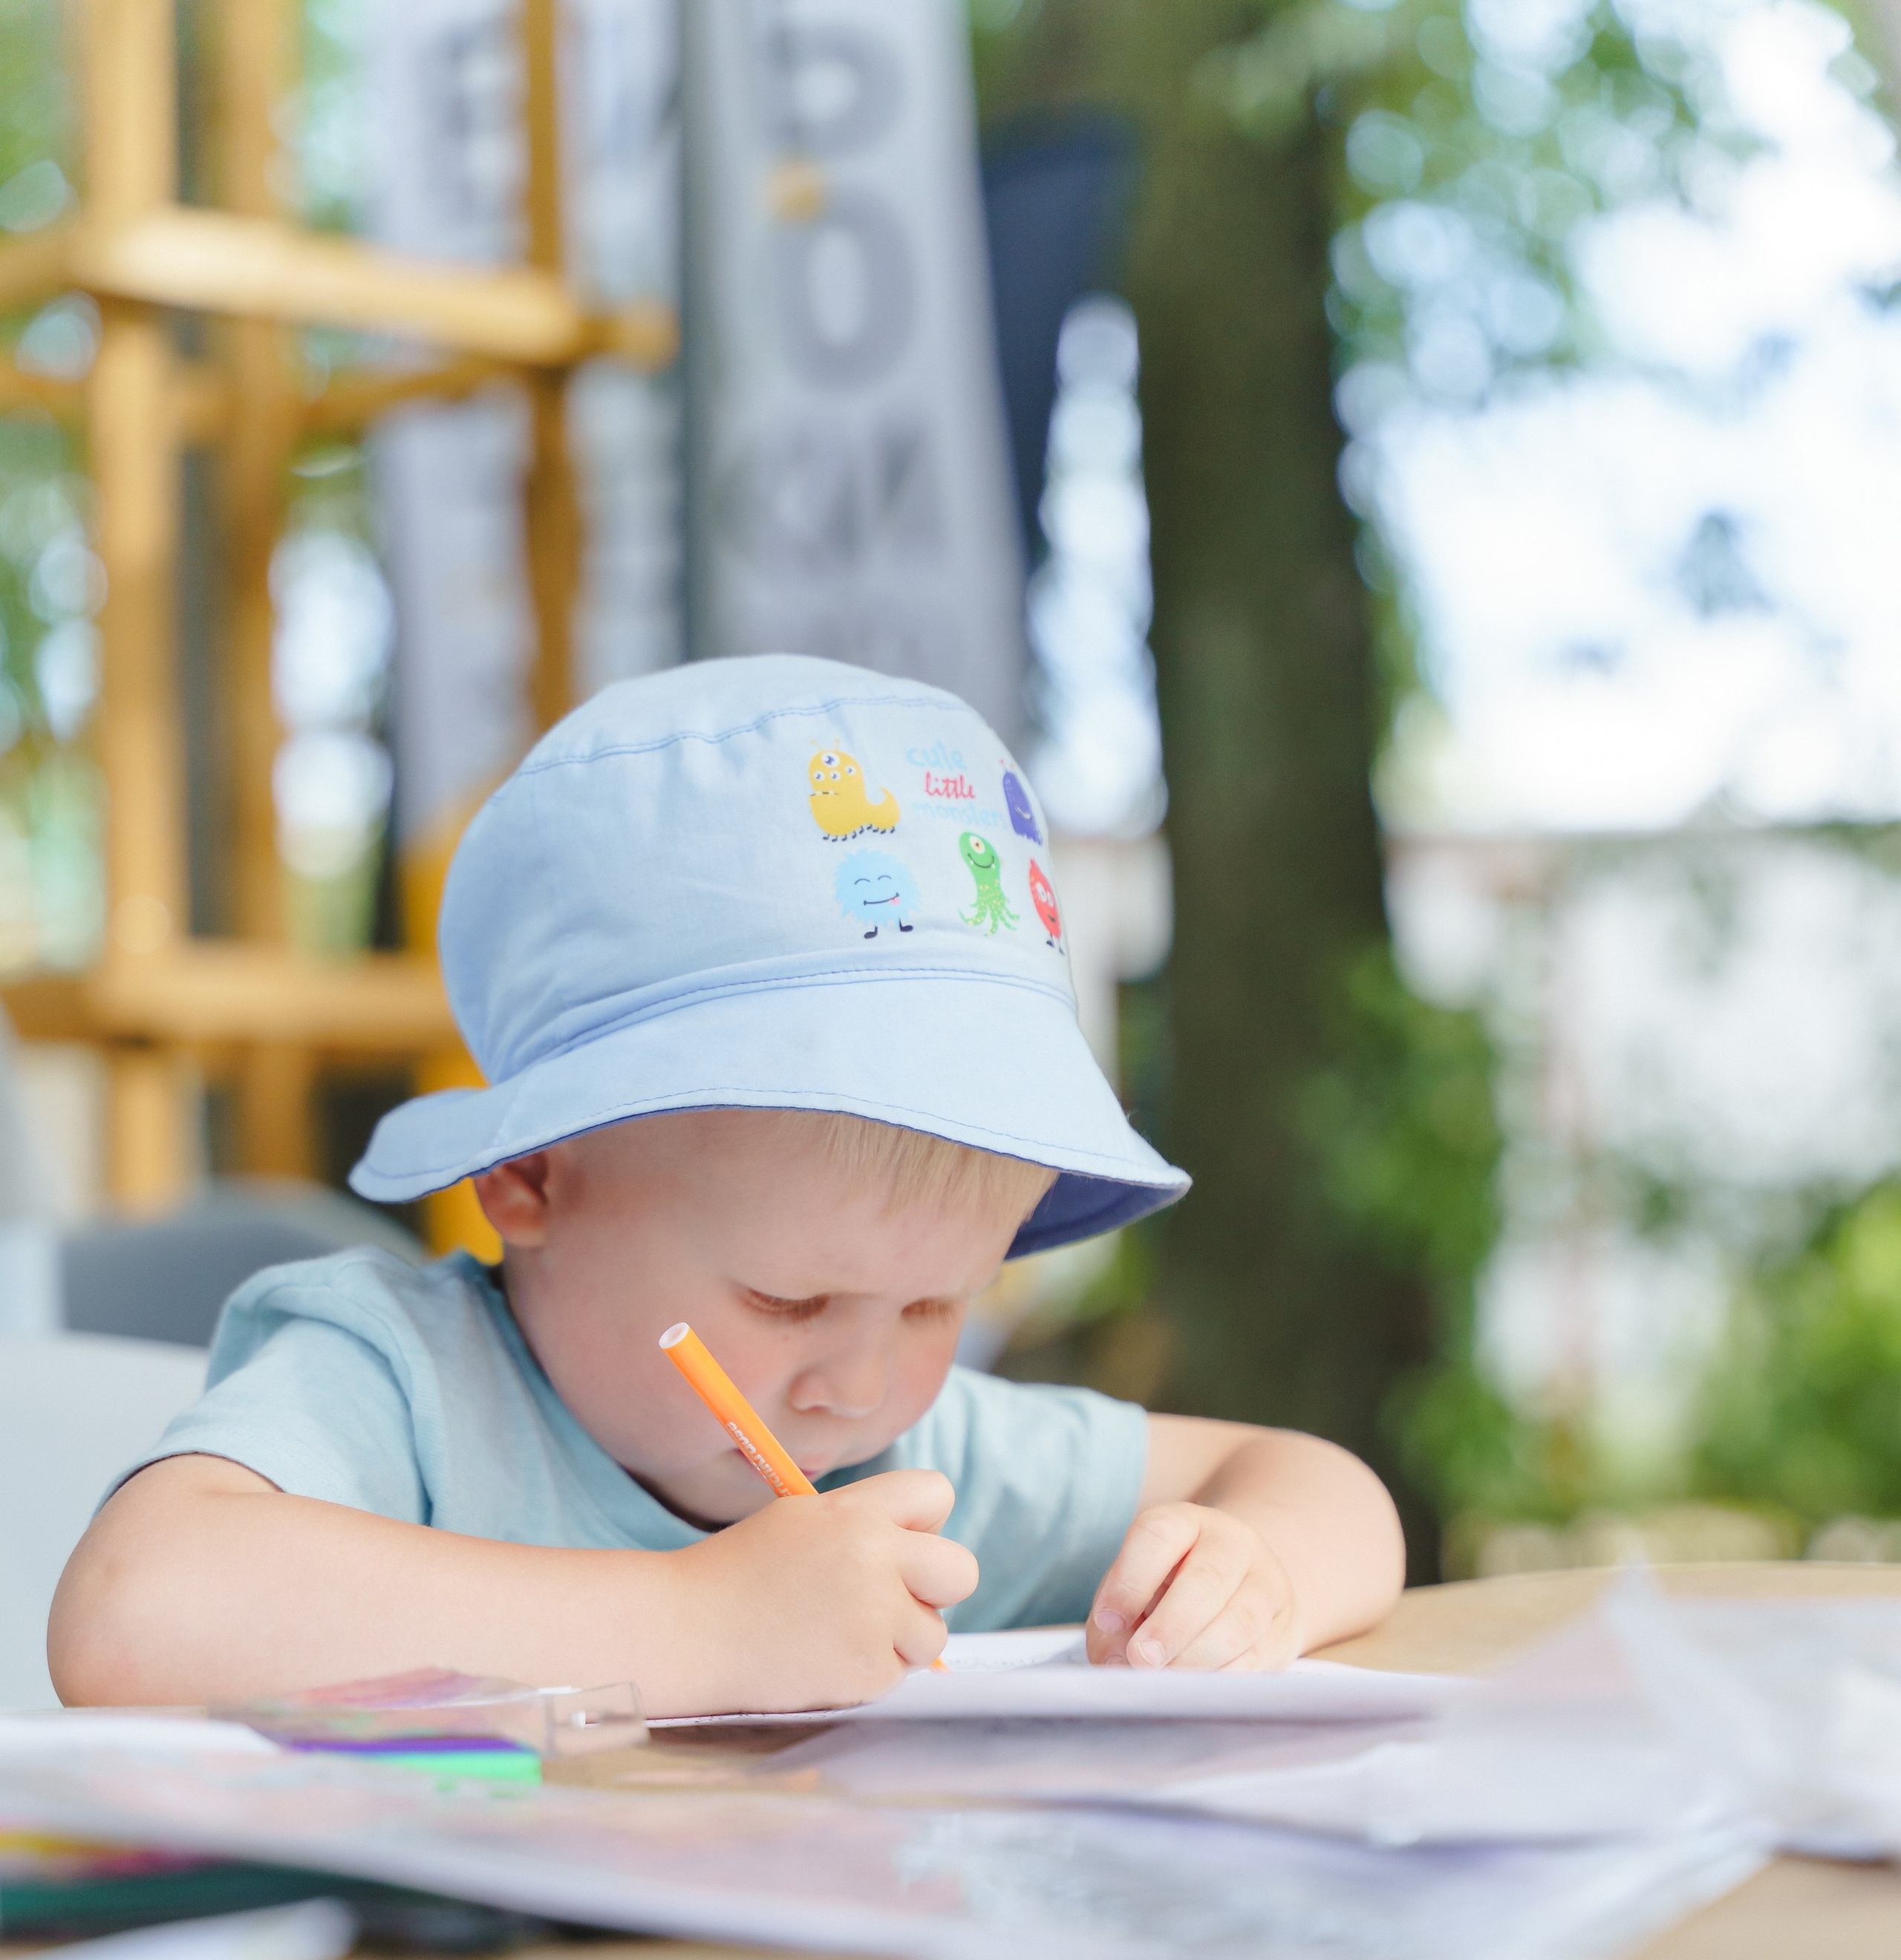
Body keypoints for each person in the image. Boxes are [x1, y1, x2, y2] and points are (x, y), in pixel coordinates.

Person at [51, 657, 1404, 1716]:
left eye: (941, 1305)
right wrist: (704, 1624)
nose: (859, 1385)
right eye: (789, 1294)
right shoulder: (402, 1386)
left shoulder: (909, 1464)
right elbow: (133, 1611)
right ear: (530, 1178)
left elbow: (1310, 1477)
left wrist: (1249, 1577)